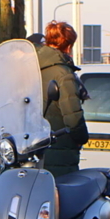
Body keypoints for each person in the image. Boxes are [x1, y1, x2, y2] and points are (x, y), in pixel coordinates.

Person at [36, 21, 89, 177]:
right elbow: (73, 117)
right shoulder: (64, 74)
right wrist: (81, 138)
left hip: (33, 147)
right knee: (60, 196)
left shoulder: (31, 67)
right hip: (59, 149)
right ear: (68, 46)